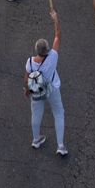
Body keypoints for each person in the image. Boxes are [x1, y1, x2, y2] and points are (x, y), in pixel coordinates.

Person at [26, 9, 65, 157]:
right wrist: (55, 19)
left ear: (36, 50)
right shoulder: (53, 56)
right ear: (47, 50)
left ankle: (36, 139)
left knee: (36, 115)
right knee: (58, 113)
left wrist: (27, 89)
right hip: (52, 89)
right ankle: (60, 145)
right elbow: (58, 35)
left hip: (36, 89)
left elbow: (27, 76)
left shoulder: (30, 61)